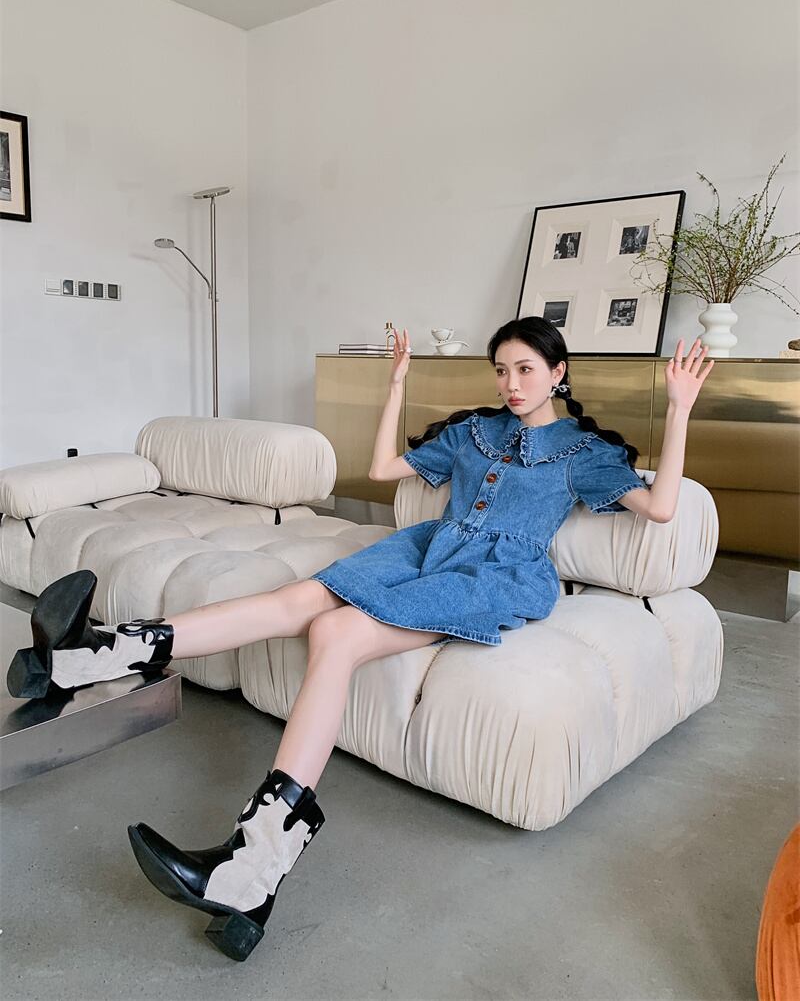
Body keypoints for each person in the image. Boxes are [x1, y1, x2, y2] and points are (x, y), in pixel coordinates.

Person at [6, 317, 714, 961]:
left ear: (558, 373)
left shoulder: (584, 451)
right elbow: (381, 470)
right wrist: (396, 385)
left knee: (336, 632)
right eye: (502, 370)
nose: (512, 383)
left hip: (494, 576)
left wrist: (679, 407)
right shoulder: (475, 432)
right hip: (423, 548)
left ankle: (254, 863)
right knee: (293, 600)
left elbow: (660, 507)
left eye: (526, 369)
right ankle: (95, 655)